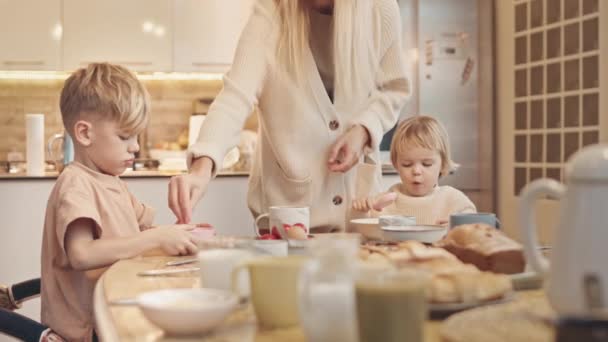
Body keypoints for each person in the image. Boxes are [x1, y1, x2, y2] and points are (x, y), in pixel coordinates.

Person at [169, 0, 410, 232]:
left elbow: (393, 89)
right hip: (287, 217)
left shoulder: (381, 9)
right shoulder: (271, 13)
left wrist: (363, 131)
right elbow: (235, 97)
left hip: (360, 214)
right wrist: (201, 169)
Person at [41, 63, 201, 341]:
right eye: (125, 136)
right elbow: (83, 254)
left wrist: (177, 235)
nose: (136, 146)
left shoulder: (112, 182)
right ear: (85, 134)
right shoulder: (76, 184)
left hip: (111, 307)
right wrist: (157, 238)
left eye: (136, 136)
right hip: (87, 330)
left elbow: (138, 235)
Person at [352, 115, 476, 225]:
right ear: (396, 165)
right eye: (407, 164)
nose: (416, 171)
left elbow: (476, 227)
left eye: (426, 164)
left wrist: (458, 226)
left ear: (442, 164)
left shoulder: (452, 199)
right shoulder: (385, 201)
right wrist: (362, 211)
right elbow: (366, 230)